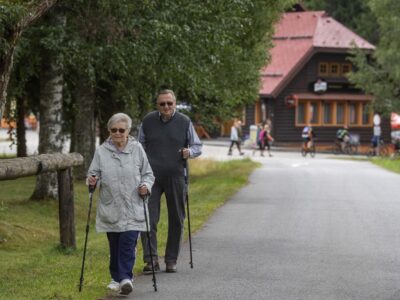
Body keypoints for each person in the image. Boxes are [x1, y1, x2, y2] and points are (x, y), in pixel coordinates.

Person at [87, 113, 155, 295]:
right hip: (111, 207)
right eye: (114, 130)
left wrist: (145, 186)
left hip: (134, 206)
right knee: (115, 243)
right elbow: (93, 173)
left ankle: (125, 277)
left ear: (128, 131)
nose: (117, 133)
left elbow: (148, 174)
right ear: (109, 131)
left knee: (128, 241)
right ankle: (116, 277)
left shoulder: (137, 149)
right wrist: (93, 181)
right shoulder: (101, 151)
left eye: (121, 130)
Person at [138, 89, 202, 274]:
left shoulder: (184, 121)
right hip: (151, 177)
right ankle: (151, 260)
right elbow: (139, 145)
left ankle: (171, 260)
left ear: (175, 104)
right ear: (157, 105)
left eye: (169, 103)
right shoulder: (148, 121)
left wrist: (189, 152)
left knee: (176, 218)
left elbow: (197, 146)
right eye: (162, 104)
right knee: (148, 217)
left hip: (176, 176)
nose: (166, 106)